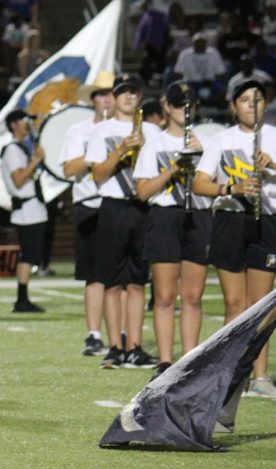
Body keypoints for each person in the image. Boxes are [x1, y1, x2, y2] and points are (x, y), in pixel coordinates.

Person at [192, 79, 276, 397]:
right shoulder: (221, 140)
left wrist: (272, 168)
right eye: (244, 100)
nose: (251, 105)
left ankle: (260, 377)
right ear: (232, 106)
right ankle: (232, 376)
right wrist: (233, 188)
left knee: (261, 305)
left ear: (265, 104)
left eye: (257, 99)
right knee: (235, 304)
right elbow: (200, 184)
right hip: (230, 221)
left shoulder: (274, 136)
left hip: (267, 220)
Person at [134, 82, 211, 379]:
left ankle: (189, 361)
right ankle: (165, 363)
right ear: (167, 107)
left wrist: (201, 156)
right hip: (165, 216)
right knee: (165, 296)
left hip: (199, 216)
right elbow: (142, 192)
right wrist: (172, 169)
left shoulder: (207, 143)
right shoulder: (155, 145)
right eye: (179, 103)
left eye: (190, 103)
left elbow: (215, 186)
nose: (185, 108)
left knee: (192, 296)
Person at [86, 74, 161, 369]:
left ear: (139, 97)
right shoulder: (102, 130)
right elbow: (97, 174)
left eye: (133, 92)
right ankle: (115, 345)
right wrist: (121, 150)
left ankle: (135, 346)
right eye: (123, 92)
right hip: (113, 207)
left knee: (138, 281)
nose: (128, 97)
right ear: (114, 98)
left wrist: (142, 149)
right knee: (113, 281)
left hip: (143, 207)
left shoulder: (153, 131)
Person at [61, 71, 115, 356]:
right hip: (90, 205)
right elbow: (68, 169)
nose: (108, 100)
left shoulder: (127, 131)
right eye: (102, 95)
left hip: (119, 205)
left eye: (111, 94)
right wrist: (95, 152)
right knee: (93, 275)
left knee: (119, 276)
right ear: (93, 100)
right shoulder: (78, 131)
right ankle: (94, 334)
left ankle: (121, 336)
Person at [2, 109, 47, 313]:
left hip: (33, 207)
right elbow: (18, 180)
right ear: (13, 124)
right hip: (27, 210)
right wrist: (36, 161)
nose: (26, 124)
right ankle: (22, 299)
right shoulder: (13, 150)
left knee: (31, 254)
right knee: (29, 254)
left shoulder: (22, 148)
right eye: (23, 120)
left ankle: (23, 297)